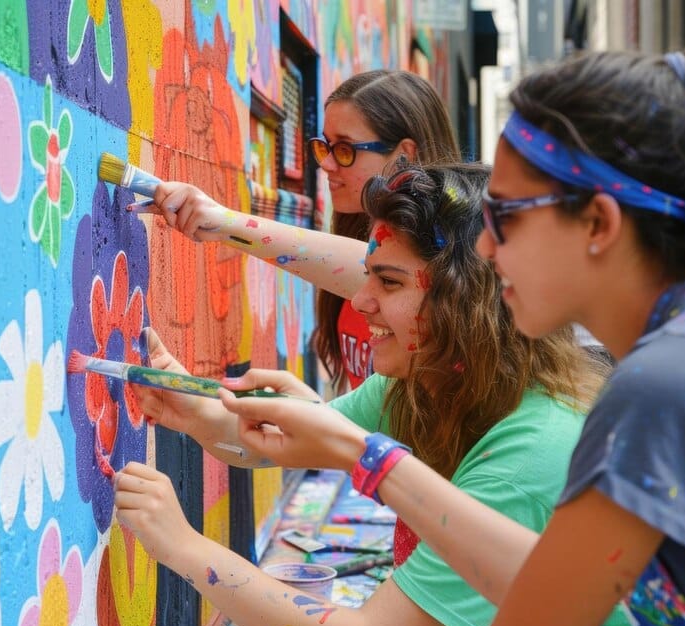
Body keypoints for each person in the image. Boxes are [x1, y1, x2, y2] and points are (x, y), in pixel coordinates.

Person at [222, 26, 685, 626]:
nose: (483, 249)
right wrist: (361, 453)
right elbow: (553, 584)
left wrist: (360, 456)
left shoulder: (674, 382)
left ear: (598, 223)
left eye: (505, 217)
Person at [116, 163, 651, 626]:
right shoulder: (427, 383)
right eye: (367, 275)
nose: (362, 301)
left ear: (469, 301)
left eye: (389, 282)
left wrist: (183, 547)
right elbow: (279, 439)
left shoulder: (530, 457)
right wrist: (195, 412)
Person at [143, 69, 459, 393]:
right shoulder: (357, 236)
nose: (327, 165)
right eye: (326, 147)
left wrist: (222, 221)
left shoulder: (449, 257)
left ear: (405, 155)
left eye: (346, 150)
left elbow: (362, 266)